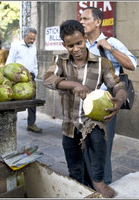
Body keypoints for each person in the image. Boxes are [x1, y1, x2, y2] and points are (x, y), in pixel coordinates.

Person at [44, 19, 127, 198]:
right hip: (69, 123)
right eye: (70, 45)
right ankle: (78, 187)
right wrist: (73, 84)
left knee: (98, 148)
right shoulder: (60, 60)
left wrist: (119, 101)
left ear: (85, 38)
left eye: (79, 43)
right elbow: (48, 79)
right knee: (74, 164)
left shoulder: (102, 63)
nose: (76, 49)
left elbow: (119, 86)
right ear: (64, 45)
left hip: (92, 121)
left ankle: (98, 181)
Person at [80, 7, 137, 186]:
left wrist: (109, 48)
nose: (81, 22)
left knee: (102, 147)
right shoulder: (80, 44)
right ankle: (90, 183)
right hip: (84, 103)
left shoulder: (110, 41)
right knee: (84, 145)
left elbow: (132, 64)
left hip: (106, 103)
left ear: (98, 22)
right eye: (80, 19)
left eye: (85, 18)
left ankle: (105, 184)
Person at [6, 27, 42, 133]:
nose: (32, 41)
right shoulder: (16, 46)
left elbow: (35, 63)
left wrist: (35, 73)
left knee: (32, 102)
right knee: (15, 102)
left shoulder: (33, 48)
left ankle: (31, 124)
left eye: (34, 39)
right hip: (17, 77)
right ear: (25, 36)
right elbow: (10, 61)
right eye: (30, 38)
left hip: (30, 77)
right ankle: (10, 125)